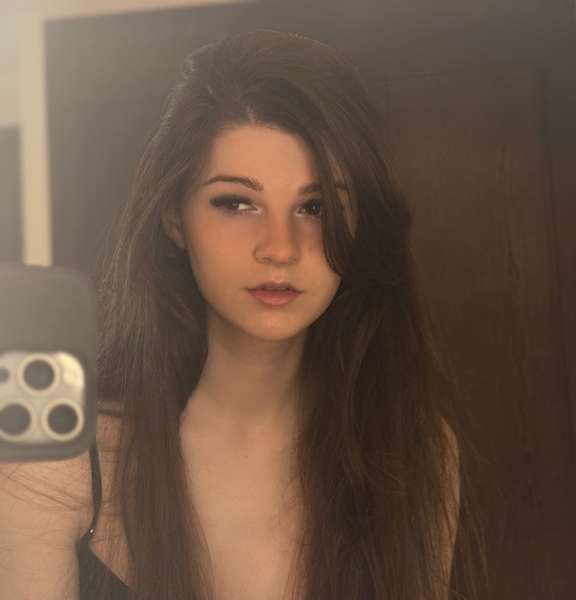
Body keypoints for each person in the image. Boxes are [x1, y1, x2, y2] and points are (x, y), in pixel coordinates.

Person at [0, 29, 487, 600]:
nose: (280, 248)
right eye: (236, 203)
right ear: (174, 218)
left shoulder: (417, 451)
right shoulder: (58, 464)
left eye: (315, 206)